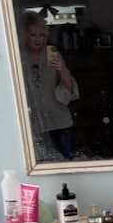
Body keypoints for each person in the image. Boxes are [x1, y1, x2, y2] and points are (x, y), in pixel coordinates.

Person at [20, 12, 79, 160]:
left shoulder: (52, 53)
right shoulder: (18, 56)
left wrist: (63, 70)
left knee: (68, 164)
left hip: (60, 121)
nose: (38, 39)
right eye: (33, 34)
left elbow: (70, 91)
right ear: (24, 35)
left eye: (42, 35)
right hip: (34, 123)